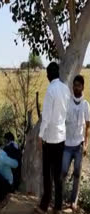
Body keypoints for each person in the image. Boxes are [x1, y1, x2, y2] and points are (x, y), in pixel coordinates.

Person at [35, 62, 70, 214]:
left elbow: (46, 117)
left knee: (47, 174)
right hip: (61, 137)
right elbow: (66, 113)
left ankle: (44, 205)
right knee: (57, 174)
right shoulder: (65, 89)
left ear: (49, 75)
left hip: (50, 139)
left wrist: (40, 135)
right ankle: (57, 206)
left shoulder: (51, 90)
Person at [62, 75, 89, 211]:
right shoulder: (67, 102)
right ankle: (59, 200)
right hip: (66, 145)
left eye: (78, 85)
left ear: (82, 87)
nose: (75, 87)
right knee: (63, 172)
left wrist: (86, 144)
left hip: (78, 145)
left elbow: (88, 126)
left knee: (77, 174)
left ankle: (73, 202)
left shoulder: (85, 105)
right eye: (74, 85)